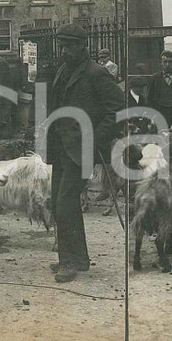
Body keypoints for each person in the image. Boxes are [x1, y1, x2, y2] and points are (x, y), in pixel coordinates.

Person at [45, 23, 123, 283]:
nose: (64, 51)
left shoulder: (96, 74)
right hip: (61, 148)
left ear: (82, 46)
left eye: (69, 46)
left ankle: (69, 261)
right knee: (58, 203)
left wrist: (94, 139)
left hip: (81, 150)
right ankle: (76, 258)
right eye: (62, 46)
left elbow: (117, 111)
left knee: (65, 204)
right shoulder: (64, 71)